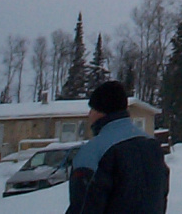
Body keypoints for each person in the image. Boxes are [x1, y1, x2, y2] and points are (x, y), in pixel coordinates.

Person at [66, 80, 169, 213]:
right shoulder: (151, 145)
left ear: (101, 111)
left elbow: (82, 207)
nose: (89, 114)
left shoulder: (94, 152)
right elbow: (160, 196)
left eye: (91, 109)